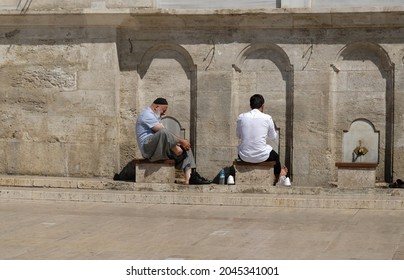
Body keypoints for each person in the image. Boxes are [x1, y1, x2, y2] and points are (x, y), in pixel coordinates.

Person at [135, 97, 211, 185]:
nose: (164, 112)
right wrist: (180, 142)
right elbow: (161, 131)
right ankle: (176, 149)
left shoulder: (156, 116)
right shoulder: (146, 114)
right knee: (164, 132)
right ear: (156, 107)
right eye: (164, 110)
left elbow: (167, 136)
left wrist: (183, 143)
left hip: (158, 148)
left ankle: (190, 178)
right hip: (148, 148)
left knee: (186, 147)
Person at [236, 94, 291, 186]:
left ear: (250, 105)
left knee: (242, 149)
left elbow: (238, 135)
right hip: (263, 155)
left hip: (243, 155)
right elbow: (273, 137)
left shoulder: (241, 117)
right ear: (262, 106)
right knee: (276, 156)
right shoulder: (267, 118)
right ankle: (280, 177)